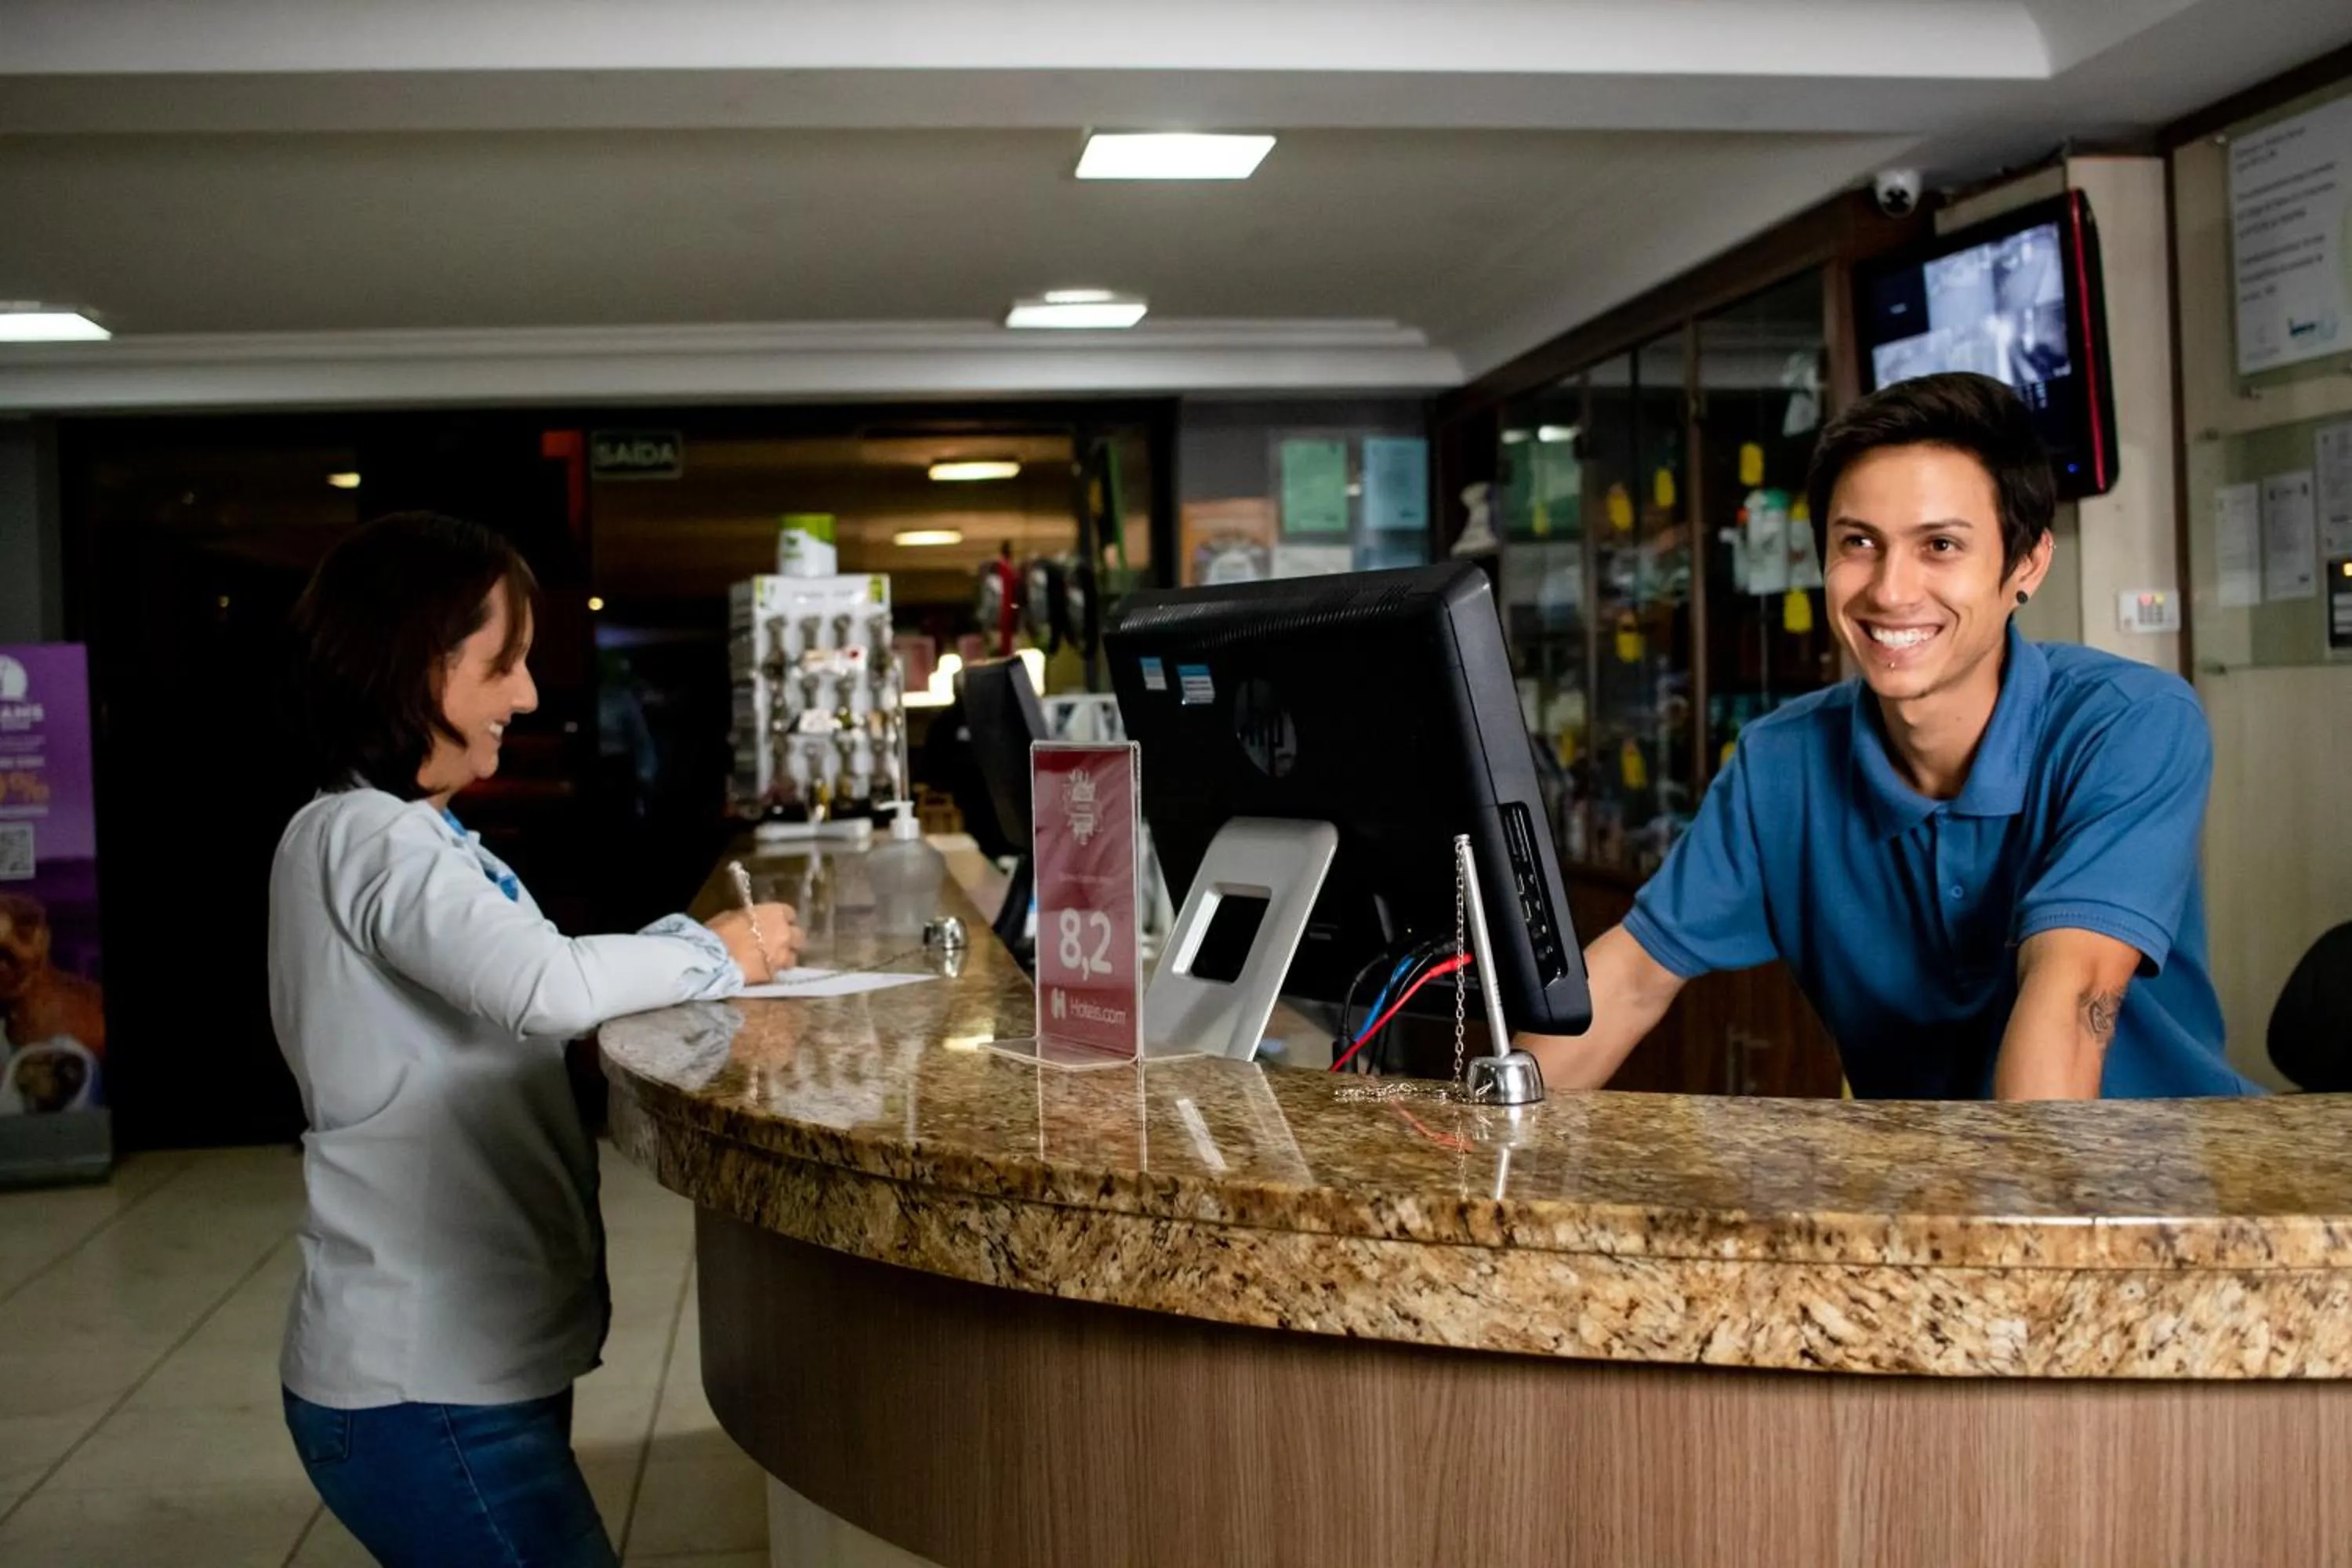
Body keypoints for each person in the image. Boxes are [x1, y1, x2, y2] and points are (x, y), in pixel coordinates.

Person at [270, 512, 801, 1566]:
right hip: (425, 1388)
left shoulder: (408, 835)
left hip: (466, 1371)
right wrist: (713, 954)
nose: (525, 695)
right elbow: (543, 983)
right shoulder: (372, 839)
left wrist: (683, 951)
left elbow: (537, 966)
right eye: (501, 664)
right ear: (412, 664)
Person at [1521, 372, 2252, 1100]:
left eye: (1940, 545)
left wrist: (2016, 1217)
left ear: (2026, 564)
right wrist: (1472, 1147)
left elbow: (2070, 998)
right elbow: (1631, 978)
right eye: (1860, 543)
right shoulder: (1783, 760)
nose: (1891, 590)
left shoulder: (2128, 723)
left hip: (2156, 1189)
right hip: (1923, 1193)